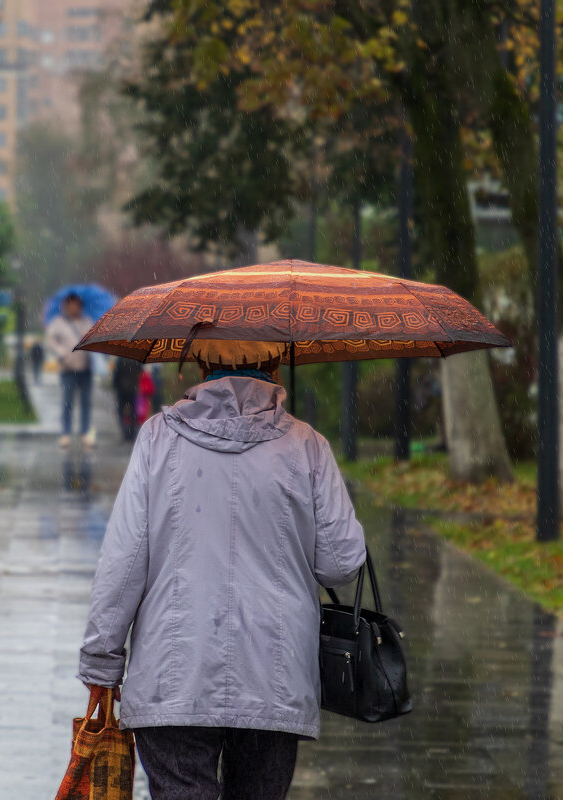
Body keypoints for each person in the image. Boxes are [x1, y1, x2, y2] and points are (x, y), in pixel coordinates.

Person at [77, 340, 367, 800]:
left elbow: (124, 560)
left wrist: (101, 659)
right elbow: (339, 563)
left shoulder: (158, 437)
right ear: (275, 361)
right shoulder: (308, 445)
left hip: (174, 674)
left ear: (199, 360)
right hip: (274, 676)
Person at [45, 293, 96, 449]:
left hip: (86, 367)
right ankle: (66, 433)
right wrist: (62, 353)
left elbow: (95, 338)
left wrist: (87, 338)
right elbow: (50, 341)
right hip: (68, 369)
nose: (74, 308)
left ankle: (85, 432)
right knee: (68, 402)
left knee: (86, 402)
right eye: (71, 305)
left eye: (77, 305)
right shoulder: (58, 323)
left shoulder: (86, 321)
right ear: (66, 306)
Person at [112, 357, 143, 442]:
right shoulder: (137, 359)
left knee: (121, 411)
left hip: (122, 389)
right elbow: (140, 372)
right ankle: (132, 432)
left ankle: (125, 431)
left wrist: (115, 385)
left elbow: (116, 374)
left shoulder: (121, 359)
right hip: (133, 388)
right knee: (133, 411)